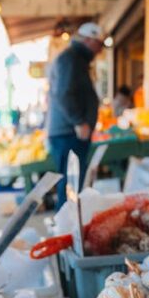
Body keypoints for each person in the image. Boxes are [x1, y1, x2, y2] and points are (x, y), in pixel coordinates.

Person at [46, 22, 104, 207]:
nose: (100, 49)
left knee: (72, 183)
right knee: (70, 185)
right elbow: (63, 93)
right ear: (88, 40)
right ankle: (67, 229)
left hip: (68, 132)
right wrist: (80, 121)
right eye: (99, 44)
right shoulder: (71, 59)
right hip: (68, 133)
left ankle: (70, 226)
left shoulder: (76, 59)